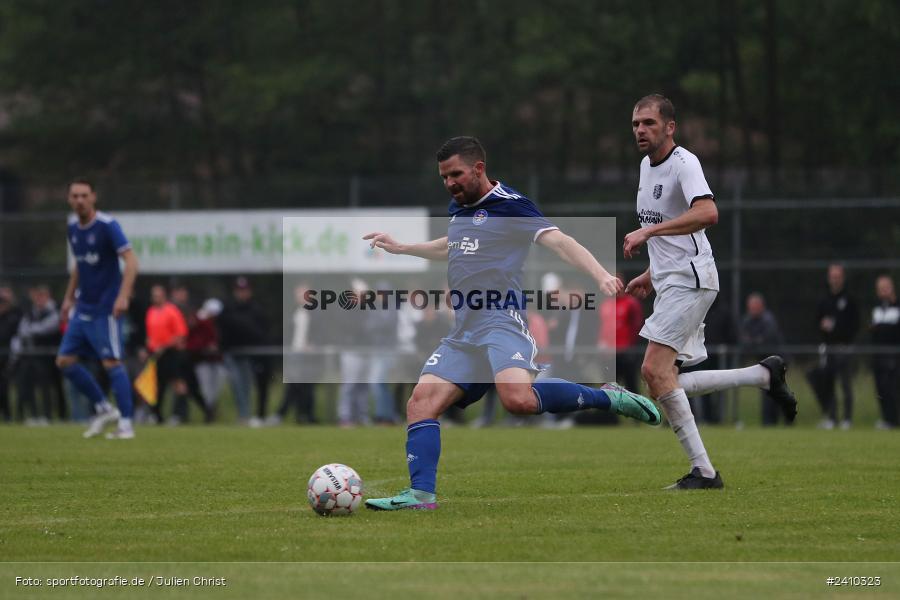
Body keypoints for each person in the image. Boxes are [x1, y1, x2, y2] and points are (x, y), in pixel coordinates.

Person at [362, 136, 660, 511]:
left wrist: (600, 275)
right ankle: (421, 496)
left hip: (502, 322)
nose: (450, 183)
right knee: (420, 403)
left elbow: (562, 243)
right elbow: (452, 244)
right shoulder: (460, 207)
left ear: (479, 169)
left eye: (456, 174)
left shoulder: (512, 206)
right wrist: (404, 248)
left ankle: (608, 397)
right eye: (444, 177)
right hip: (464, 332)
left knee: (517, 400)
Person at [622, 95, 797, 489]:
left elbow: (707, 213)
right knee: (664, 380)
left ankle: (703, 471)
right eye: (635, 124)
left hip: (692, 280)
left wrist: (648, 232)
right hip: (671, 280)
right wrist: (652, 273)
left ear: (670, 127)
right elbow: (671, 226)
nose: (640, 130)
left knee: (653, 371)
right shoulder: (644, 167)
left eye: (649, 123)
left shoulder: (685, 163)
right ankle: (762, 375)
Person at [56, 178, 138, 439]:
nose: (79, 200)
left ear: (93, 197)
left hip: (106, 307)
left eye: (84, 195)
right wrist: (68, 299)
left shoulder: (107, 226)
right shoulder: (73, 228)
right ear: (69, 199)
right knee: (65, 361)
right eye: (74, 196)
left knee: (111, 362)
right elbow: (79, 265)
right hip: (83, 307)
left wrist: (122, 297)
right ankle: (104, 408)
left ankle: (126, 424)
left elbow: (131, 261)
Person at [806, 263, 860, 430]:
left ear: (842, 278)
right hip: (828, 347)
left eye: (837, 276)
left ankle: (847, 419)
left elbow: (855, 324)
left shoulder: (849, 299)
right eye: (832, 276)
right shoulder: (824, 300)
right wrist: (823, 327)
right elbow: (816, 321)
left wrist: (839, 330)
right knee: (828, 383)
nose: (835, 280)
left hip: (844, 347)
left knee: (845, 384)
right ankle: (832, 417)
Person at [11, 285, 63, 423]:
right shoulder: (30, 313)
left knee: (47, 387)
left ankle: (47, 415)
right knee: (27, 385)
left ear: (48, 296)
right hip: (30, 355)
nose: (39, 299)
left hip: (48, 356)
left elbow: (48, 327)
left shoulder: (53, 311)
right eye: (37, 296)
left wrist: (30, 330)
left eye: (42, 296)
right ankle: (33, 415)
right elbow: (21, 330)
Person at [739, 293, 787, 425]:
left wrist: (753, 342)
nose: (752, 310)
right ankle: (768, 422)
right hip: (764, 363)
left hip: (776, 362)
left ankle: (781, 421)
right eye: (750, 307)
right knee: (767, 391)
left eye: (755, 307)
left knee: (775, 392)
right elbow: (744, 340)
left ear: (761, 306)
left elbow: (765, 340)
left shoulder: (768, 320)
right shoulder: (748, 320)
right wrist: (753, 342)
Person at [870, 275, 899, 429]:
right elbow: (874, 332)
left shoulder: (897, 306)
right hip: (879, 355)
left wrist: (883, 329)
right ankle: (888, 420)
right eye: (880, 289)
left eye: (885, 287)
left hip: (894, 356)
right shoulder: (877, 308)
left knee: (893, 388)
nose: (883, 291)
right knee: (881, 388)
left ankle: (895, 419)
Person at [0, 285, 24, 422]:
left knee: (6, 388)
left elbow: (17, 336)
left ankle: (9, 416)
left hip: (10, 359)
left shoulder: (14, 315)